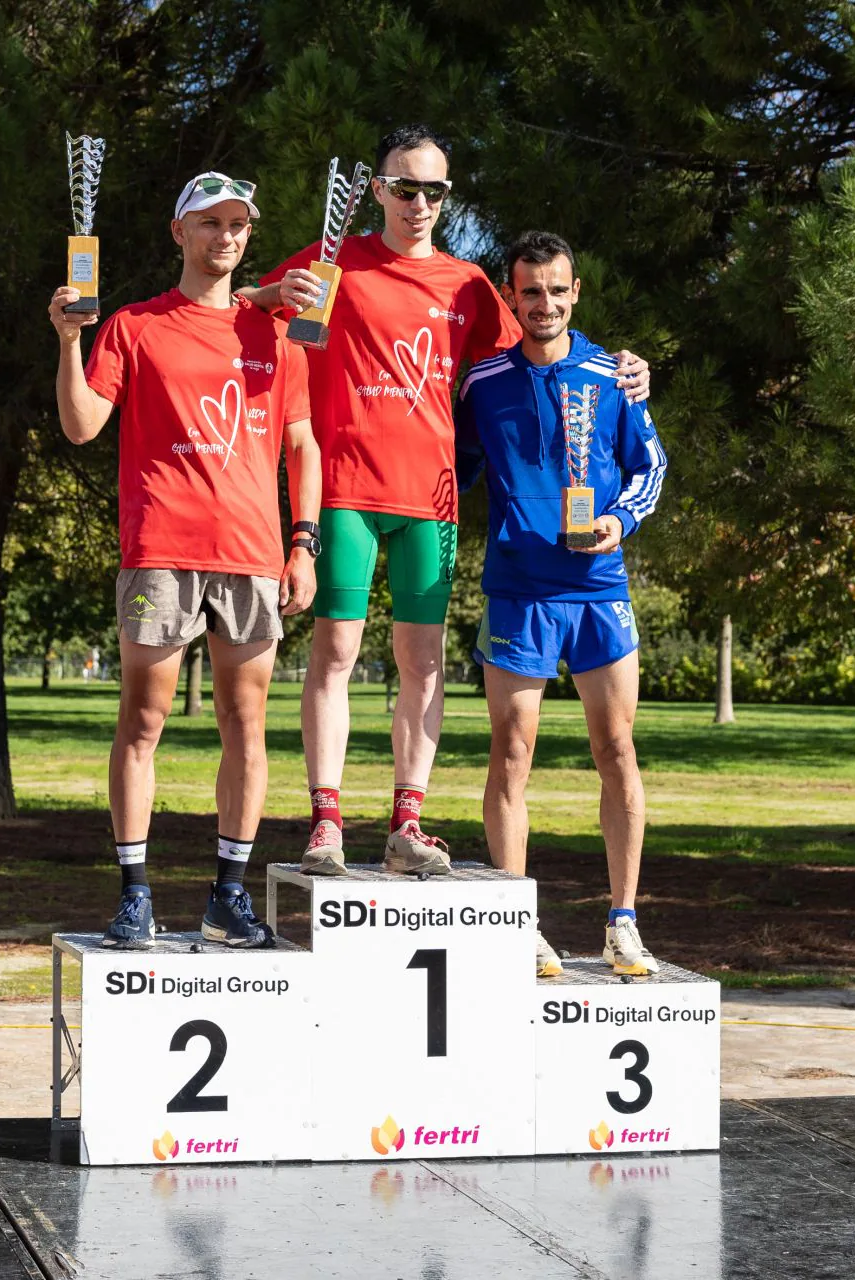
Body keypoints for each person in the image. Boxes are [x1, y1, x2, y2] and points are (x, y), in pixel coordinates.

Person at [240, 124, 649, 875]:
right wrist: (271, 291)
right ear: (376, 190)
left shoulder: (467, 284)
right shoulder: (335, 260)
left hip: (431, 499)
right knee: (335, 653)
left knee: (422, 663)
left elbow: (542, 341)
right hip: (344, 492)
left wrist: (624, 369)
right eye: (404, 187)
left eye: (434, 190)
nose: (419, 202)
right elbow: (240, 310)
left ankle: (406, 823)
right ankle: (326, 824)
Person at [51, 170, 321, 949]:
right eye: (210, 223)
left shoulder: (278, 330)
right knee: (143, 720)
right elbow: (80, 426)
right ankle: (135, 893)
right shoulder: (134, 325)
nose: (225, 237)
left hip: (252, 554)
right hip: (163, 550)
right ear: (180, 233)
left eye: (238, 226)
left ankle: (227, 896)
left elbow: (301, 444)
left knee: (247, 726)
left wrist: (303, 543)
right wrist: (69, 340)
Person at [455, 230, 668, 977]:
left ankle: (623, 921)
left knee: (616, 751)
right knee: (512, 753)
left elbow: (652, 465)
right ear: (510, 298)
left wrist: (620, 521)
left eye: (557, 290)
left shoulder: (614, 375)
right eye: (530, 292)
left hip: (598, 585)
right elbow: (452, 467)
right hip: (519, 587)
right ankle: (520, 922)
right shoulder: (482, 382)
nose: (544, 304)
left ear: (576, 292)